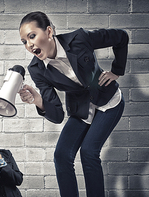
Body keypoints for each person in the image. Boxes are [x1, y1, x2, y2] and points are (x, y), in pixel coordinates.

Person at [18, 11, 128, 197]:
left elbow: (121, 37)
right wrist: (37, 99)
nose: (29, 45)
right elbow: (57, 115)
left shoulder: (79, 38)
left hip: (108, 101)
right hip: (81, 108)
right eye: (24, 42)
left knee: (88, 152)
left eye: (32, 36)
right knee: (61, 155)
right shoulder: (36, 69)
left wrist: (117, 71)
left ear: (49, 32)